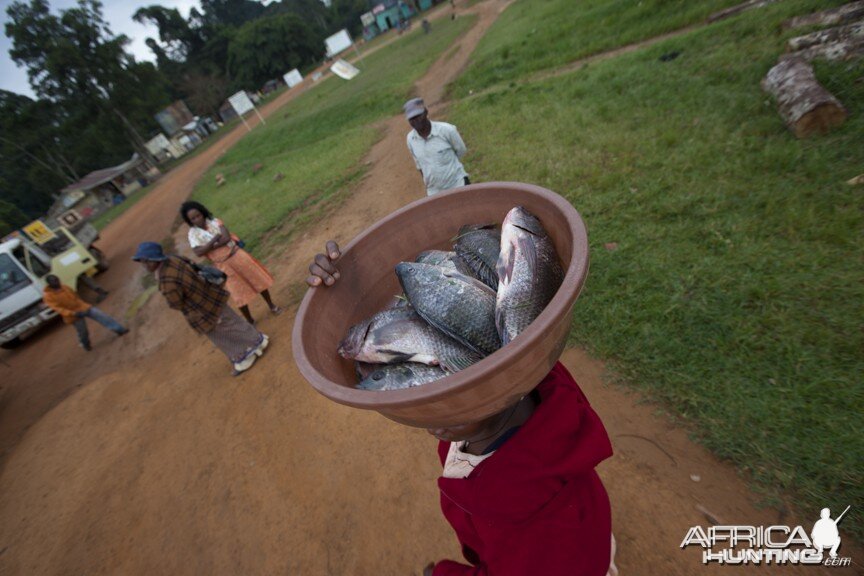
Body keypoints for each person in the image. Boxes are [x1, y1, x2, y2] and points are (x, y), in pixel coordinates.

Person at [305, 242, 619, 576]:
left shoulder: (533, 523)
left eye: (446, 404)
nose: (429, 418)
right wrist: (343, 288)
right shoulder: (539, 390)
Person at [133, 241, 268, 376]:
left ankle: (244, 359)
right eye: (142, 261)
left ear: (155, 260)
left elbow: (176, 303)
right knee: (233, 322)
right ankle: (258, 342)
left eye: (146, 261)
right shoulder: (173, 258)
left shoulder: (166, 280)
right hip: (211, 295)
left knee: (222, 336)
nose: (144, 265)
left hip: (201, 311)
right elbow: (193, 266)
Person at [180, 201, 282, 324]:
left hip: (237, 255)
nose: (197, 219)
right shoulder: (192, 234)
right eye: (193, 218)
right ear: (189, 221)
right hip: (223, 265)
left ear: (202, 213)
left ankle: (271, 305)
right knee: (236, 292)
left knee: (257, 279)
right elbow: (198, 252)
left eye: (198, 215)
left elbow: (226, 238)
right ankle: (250, 320)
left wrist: (208, 246)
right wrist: (215, 239)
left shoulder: (214, 221)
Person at [42, 274, 127, 351]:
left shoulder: (65, 287)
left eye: (57, 279)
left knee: (102, 316)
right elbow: (58, 309)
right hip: (73, 315)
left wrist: (83, 305)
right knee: (83, 332)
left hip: (83, 307)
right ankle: (85, 344)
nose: (57, 282)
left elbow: (75, 296)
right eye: (54, 281)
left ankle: (119, 329)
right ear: (49, 284)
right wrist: (73, 313)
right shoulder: (48, 296)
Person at [404, 98, 470, 196]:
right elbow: (419, 165)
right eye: (411, 119)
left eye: (418, 116)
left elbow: (461, 150)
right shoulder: (410, 139)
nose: (415, 121)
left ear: (426, 112)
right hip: (434, 193)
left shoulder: (447, 130)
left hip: (458, 185)